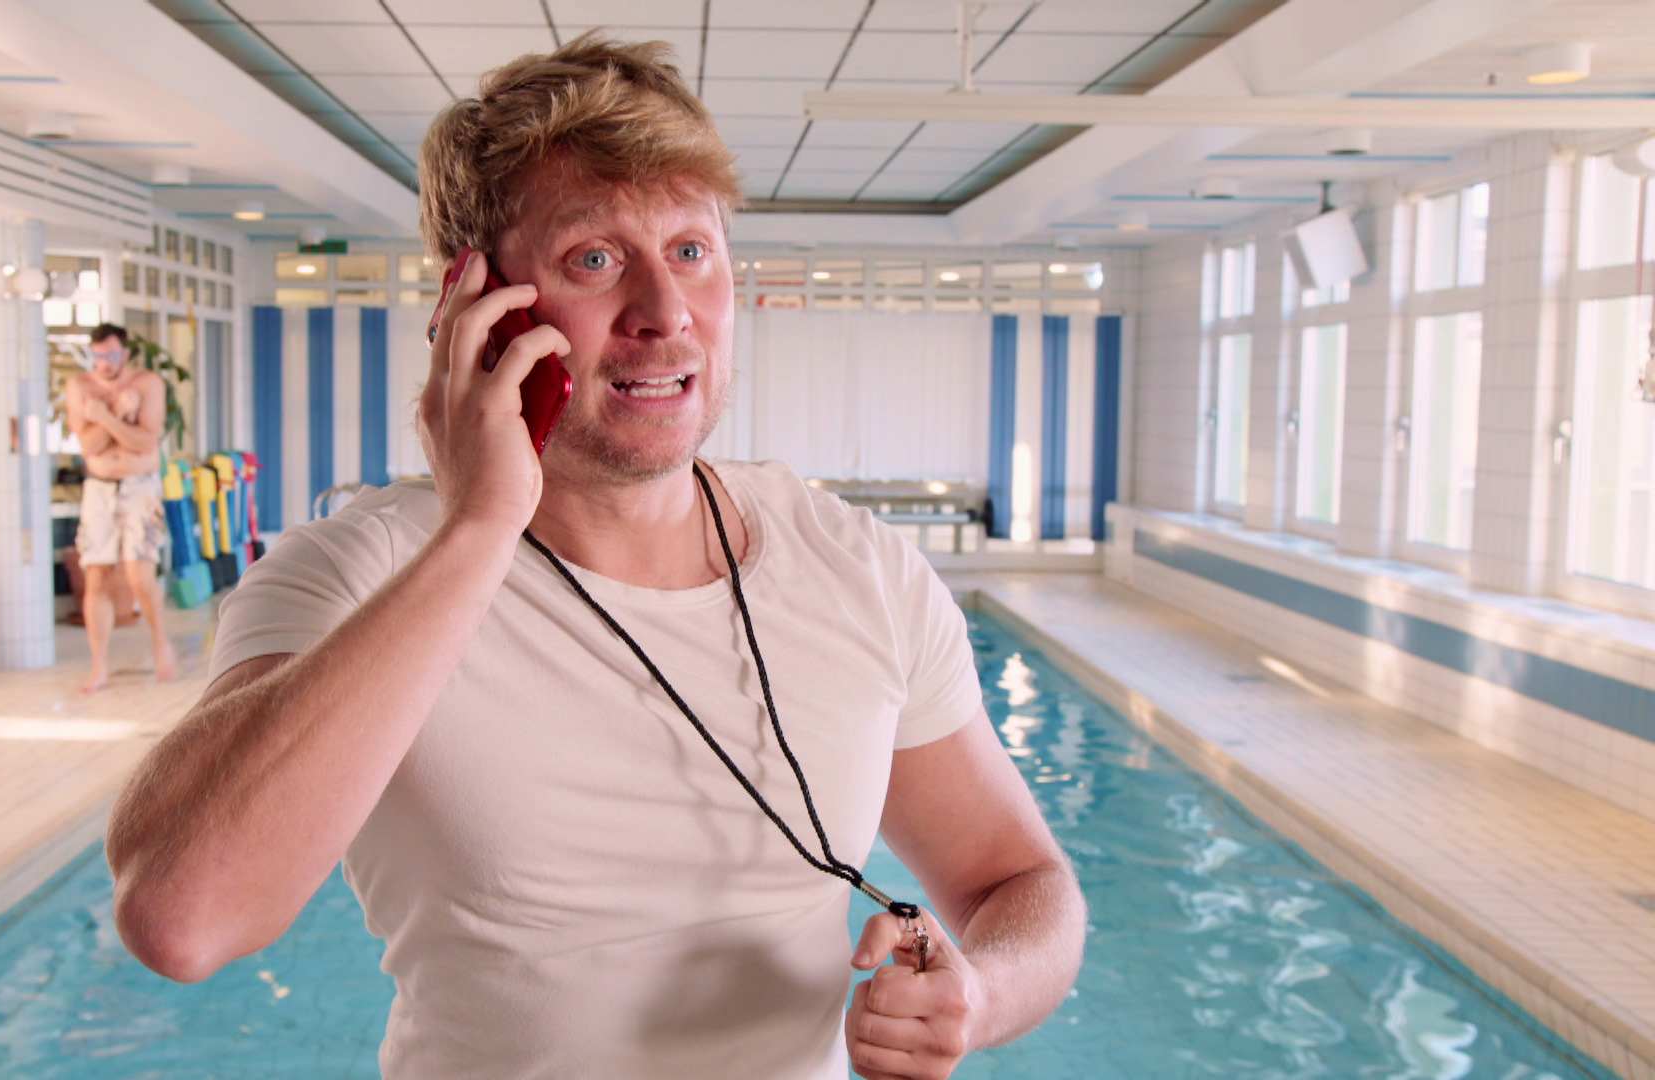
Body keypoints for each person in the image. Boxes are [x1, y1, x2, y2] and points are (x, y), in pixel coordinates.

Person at [104, 34, 1084, 1079]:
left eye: (692, 251)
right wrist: (479, 529)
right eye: (596, 260)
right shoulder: (359, 575)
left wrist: (978, 995)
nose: (665, 314)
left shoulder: (858, 567)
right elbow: (182, 919)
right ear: (480, 305)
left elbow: (1020, 882)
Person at [66, 323, 178, 692]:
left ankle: (160, 643)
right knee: (96, 577)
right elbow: (89, 447)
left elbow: (145, 443)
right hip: (99, 489)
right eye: (98, 355)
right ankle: (99, 666)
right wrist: (117, 412)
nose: (105, 362)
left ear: (125, 353)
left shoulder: (147, 384)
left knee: (139, 575)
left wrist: (104, 416)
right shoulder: (81, 387)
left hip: (140, 487)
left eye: (112, 354)